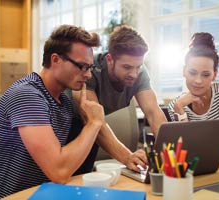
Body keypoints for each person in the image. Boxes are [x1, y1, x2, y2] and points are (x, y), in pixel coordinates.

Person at [0, 25, 104, 199]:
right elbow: (59, 172)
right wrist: (94, 123)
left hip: (41, 194)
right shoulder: (27, 95)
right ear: (55, 60)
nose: (88, 75)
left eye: (90, 68)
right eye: (82, 66)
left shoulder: (64, 102)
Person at [71, 25, 168, 173]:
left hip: (92, 130)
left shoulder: (139, 73)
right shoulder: (89, 69)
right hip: (68, 126)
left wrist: (170, 152)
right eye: (127, 67)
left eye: (138, 67)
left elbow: (154, 113)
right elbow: (92, 119)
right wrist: (127, 157)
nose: (134, 74)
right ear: (110, 59)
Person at [167, 32, 219, 145]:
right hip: (197, 163)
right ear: (184, 71)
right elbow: (185, 149)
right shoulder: (176, 105)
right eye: (192, 73)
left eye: (206, 75)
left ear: (214, 75)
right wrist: (179, 109)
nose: (198, 81)